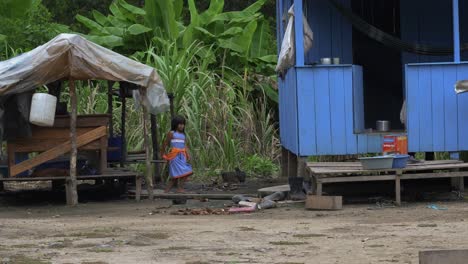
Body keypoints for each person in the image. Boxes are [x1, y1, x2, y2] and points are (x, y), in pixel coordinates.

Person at [160, 115, 193, 193]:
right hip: (174, 156)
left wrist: (188, 154)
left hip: (182, 156)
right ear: (175, 124)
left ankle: (173, 190)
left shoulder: (183, 135)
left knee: (183, 173)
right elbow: (165, 144)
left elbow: (185, 146)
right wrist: (163, 154)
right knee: (176, 175)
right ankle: (175, 189)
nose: (182, 126)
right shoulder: (172, 133)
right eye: (180, 124)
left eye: (183, 124)